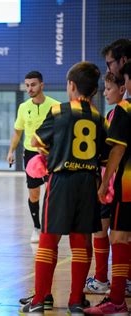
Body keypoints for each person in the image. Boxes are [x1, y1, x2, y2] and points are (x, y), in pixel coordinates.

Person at [19, 62, 106, 314]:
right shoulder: (98, 117)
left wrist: (52, 152)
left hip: (62, 181)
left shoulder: (59, 111)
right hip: (88, 183)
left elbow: (36, 141)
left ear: (71, 86)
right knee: (81, 243)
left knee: (48, 241)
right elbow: (102, 155)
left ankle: (39, 302)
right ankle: (76, 301)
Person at [84, 60, 131, 315]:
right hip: (118, 184)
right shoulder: (113, 113)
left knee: (115, 235)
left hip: (121, 184)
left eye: (109, 87)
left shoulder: (122, 111)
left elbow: (117, 149)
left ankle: (109, 288)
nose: (105, 92)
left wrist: (103, 184)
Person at [7, 71, 59, 243]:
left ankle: (47, 227)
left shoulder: (56, 106)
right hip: (30, 155)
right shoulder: (23, 107)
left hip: (50, 154)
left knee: (50, 191)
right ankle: (37, 227)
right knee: (34, 194)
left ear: (42, 85)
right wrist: (11, 151)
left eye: (33, 84)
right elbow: (17, 132)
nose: (30, 88)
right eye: (27, 85)